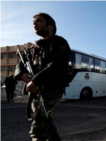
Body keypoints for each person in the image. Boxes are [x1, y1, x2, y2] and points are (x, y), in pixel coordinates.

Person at [14, 13, 71, 141]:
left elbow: (57, 64)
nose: (35, 24)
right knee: (46, 122)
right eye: (34, 22)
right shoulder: (32, 48)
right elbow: (20, 65)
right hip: (35, 89)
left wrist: (35, 80)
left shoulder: (59, 42)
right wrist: (23, 76)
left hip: (53, 87)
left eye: (39, 21)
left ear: (50, 26)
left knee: (38, 126)